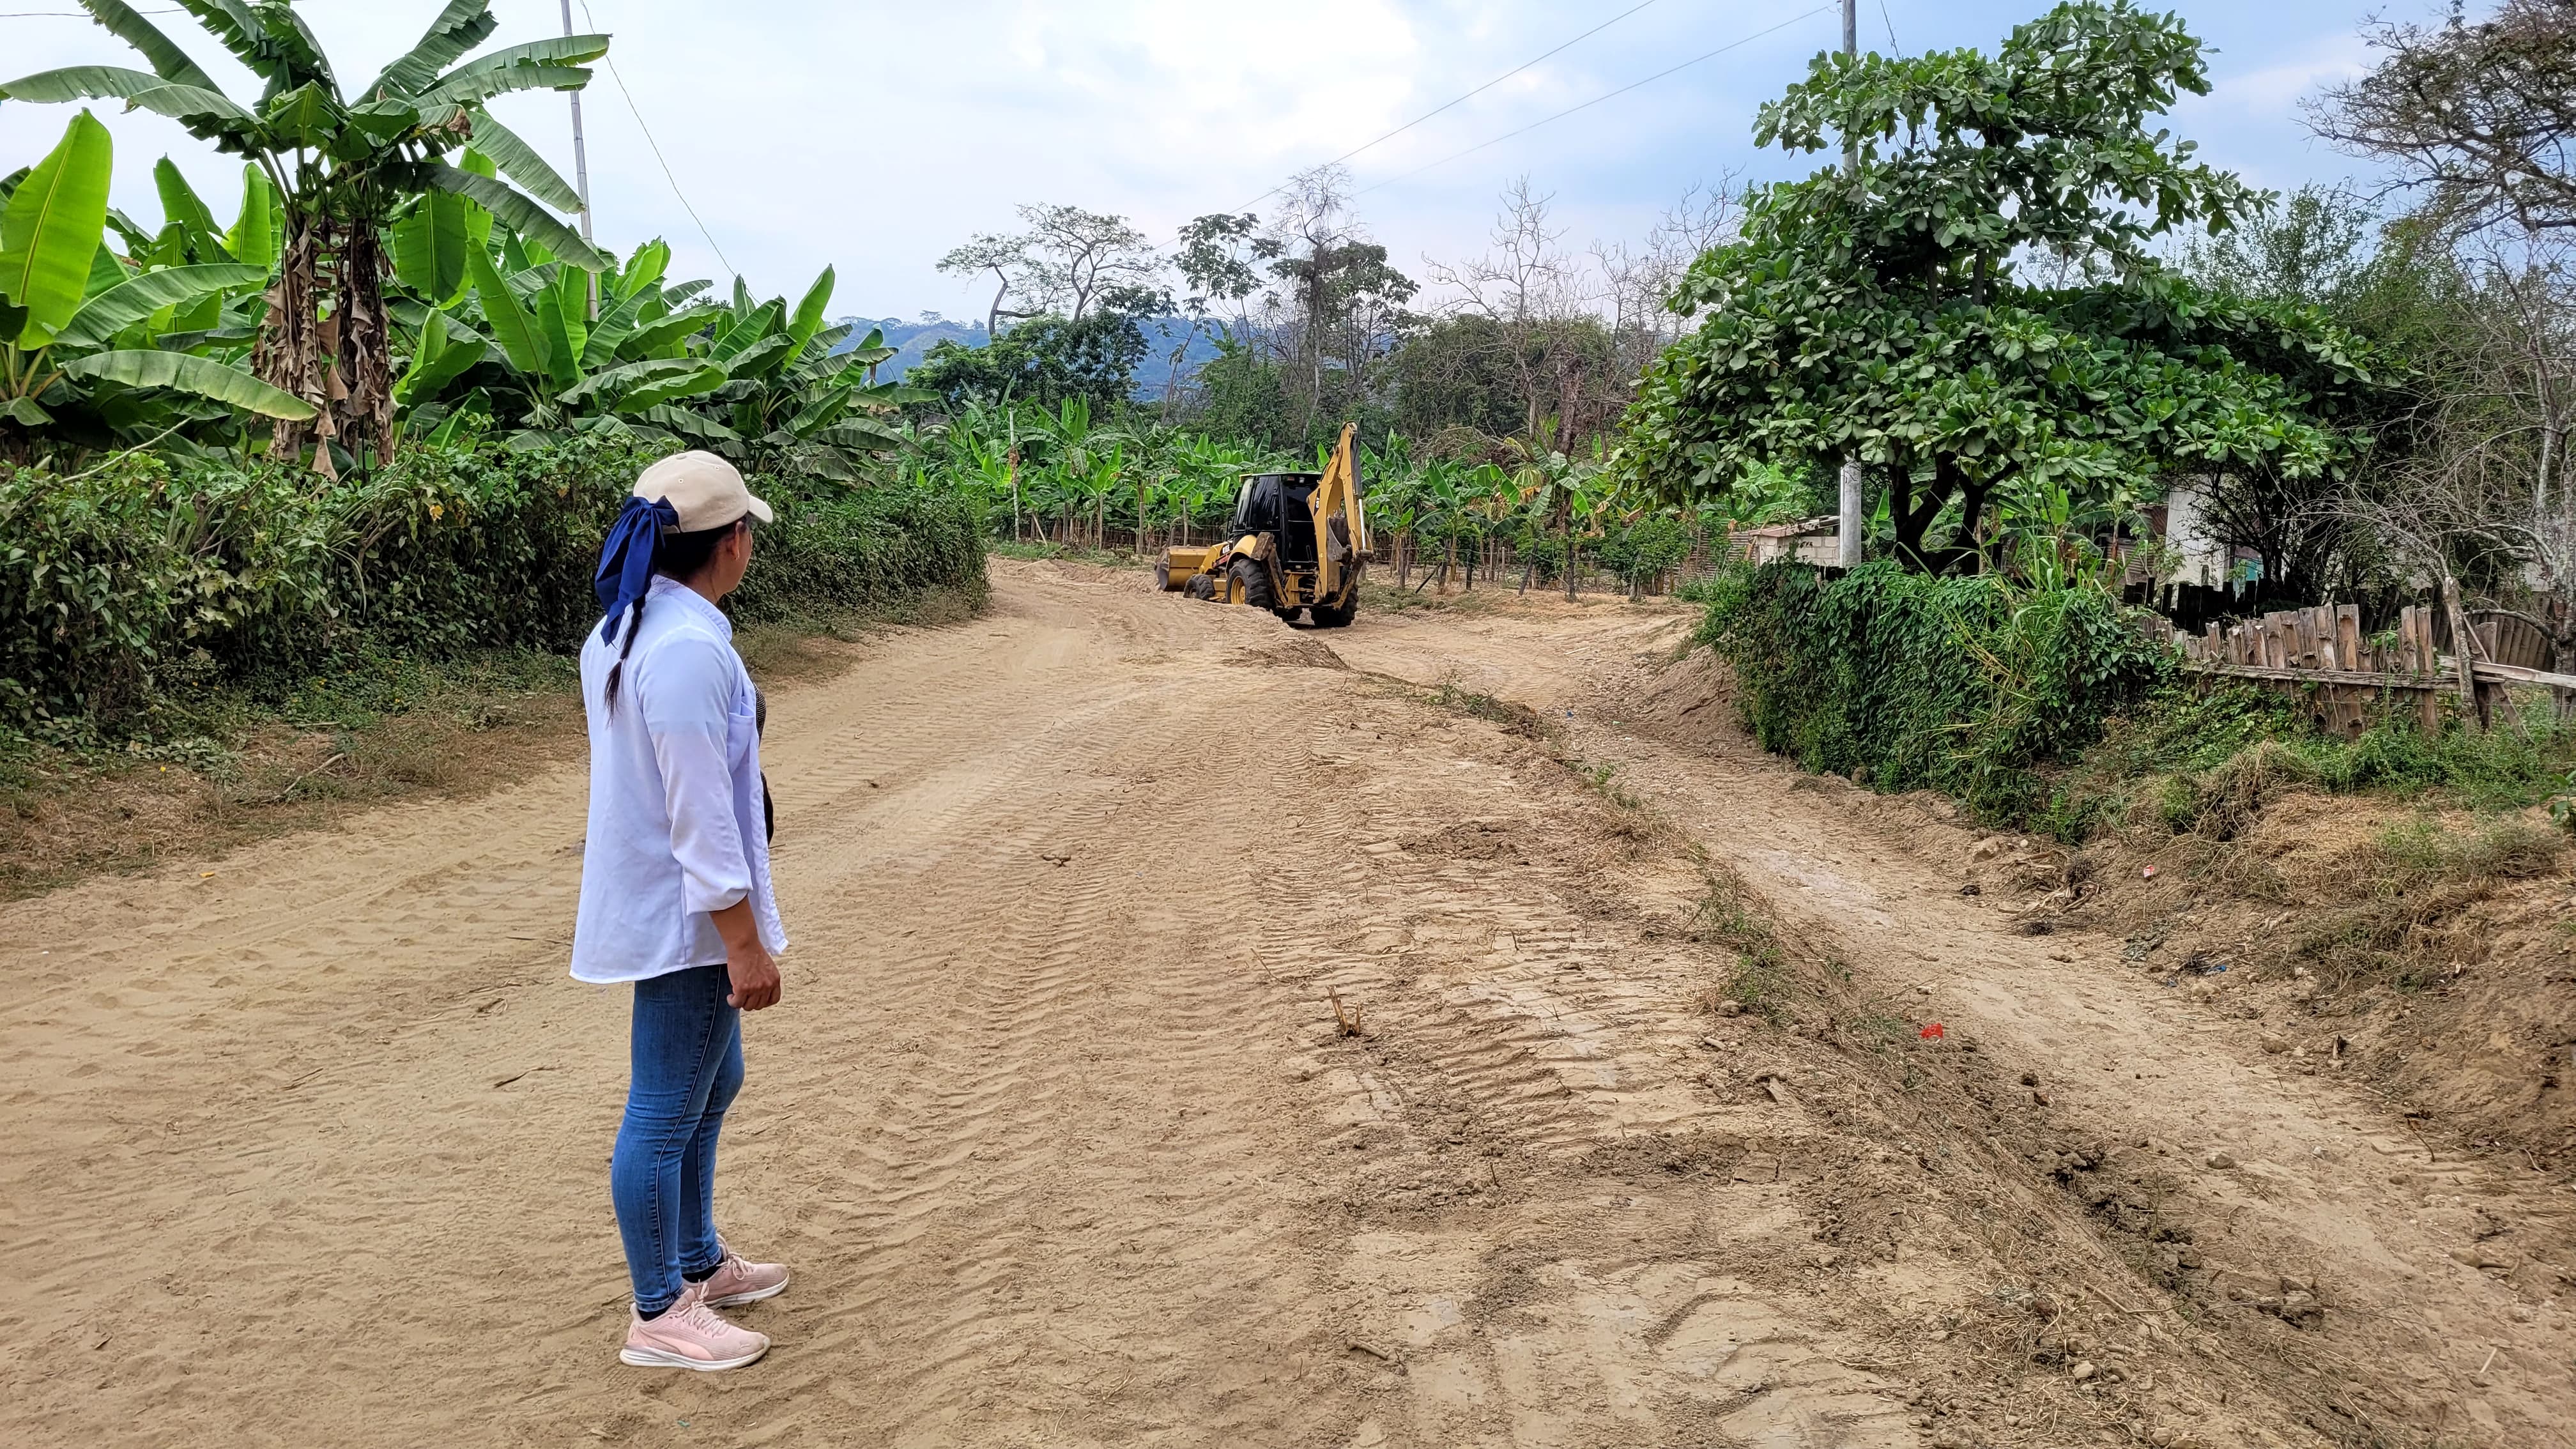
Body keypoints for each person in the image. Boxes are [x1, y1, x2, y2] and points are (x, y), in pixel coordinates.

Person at [571, 450, 792, 1371]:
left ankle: (698, 1258)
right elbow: (699, 812)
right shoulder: (689, 650)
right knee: (664, 1109)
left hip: (668, 900)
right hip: (689, 915)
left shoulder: (628, 625)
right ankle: (660, 1309)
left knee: (713, 1080)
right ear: (732, 542)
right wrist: (744, 944)